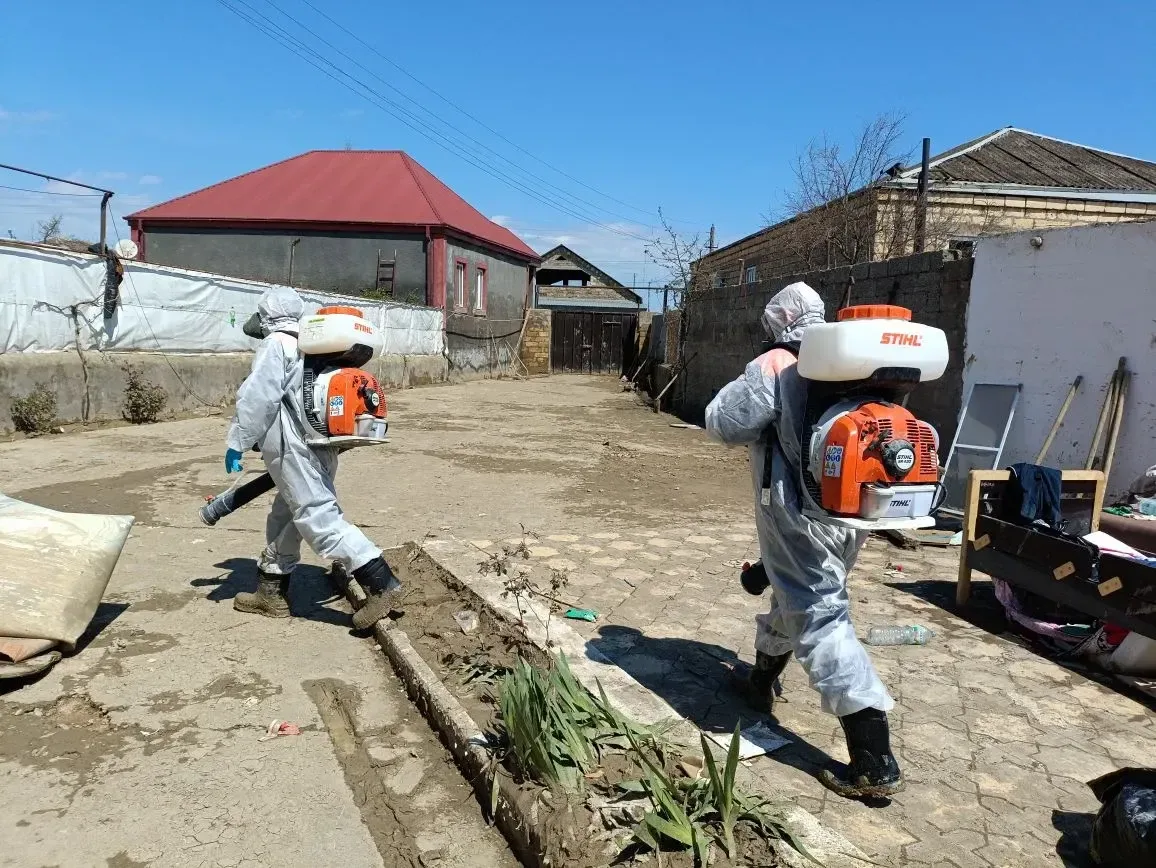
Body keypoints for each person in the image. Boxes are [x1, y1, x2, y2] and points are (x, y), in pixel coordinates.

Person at [704, 282, 903, 800]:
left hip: (797, 512)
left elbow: (724, 424)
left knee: (819, 616)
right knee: (792, 596)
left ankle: (873, 757)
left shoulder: (777, 363)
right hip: (849, 513)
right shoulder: (851, 360)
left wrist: (753, 374)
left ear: (778, 321)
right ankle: (759, 682)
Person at [225, 286, 400, 630]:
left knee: (317, 517)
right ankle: (271, 591)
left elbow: (258, 396)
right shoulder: (311, 344)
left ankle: (382, 585)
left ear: (267, 315)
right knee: (287, 515)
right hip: (320, 443)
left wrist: (237, 441)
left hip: (293, 448)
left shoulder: (277, 344)